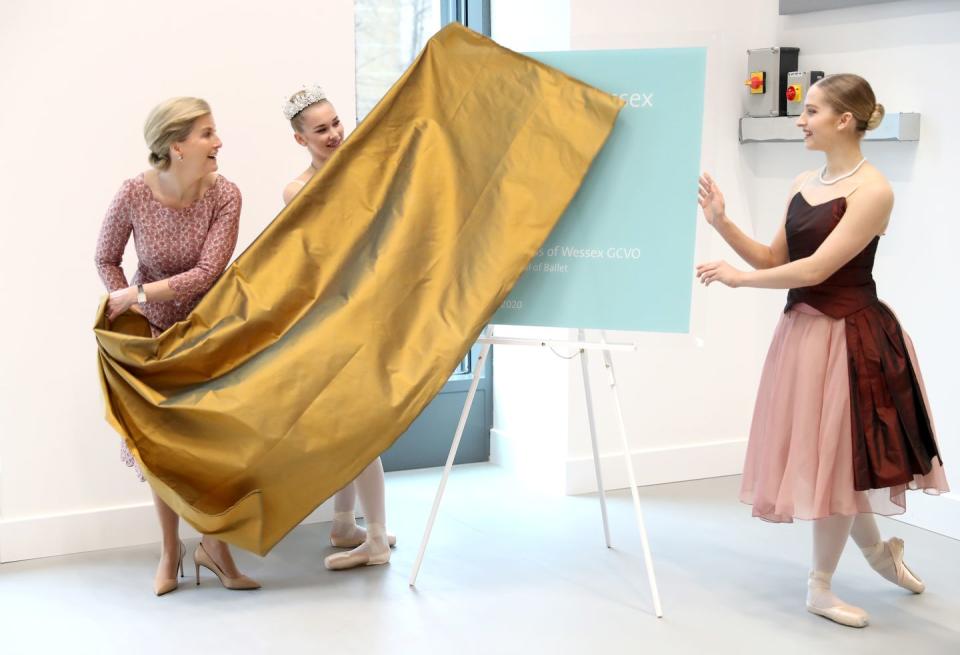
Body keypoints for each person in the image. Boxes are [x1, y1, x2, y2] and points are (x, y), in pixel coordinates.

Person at [696, 74, 948, 628]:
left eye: (810, 111)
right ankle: (881, 554)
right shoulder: (803, 183)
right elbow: (772, 259)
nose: (800, 120)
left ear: (845, 120)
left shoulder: (873, 190)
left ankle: (821, 587)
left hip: (852, 338)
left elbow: (815, 270)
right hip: (804, 334)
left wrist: (737, 281)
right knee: (829, 459)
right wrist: (722, 224)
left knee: (838, 458)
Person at [95, 97, 260, 595]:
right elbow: (105, 258)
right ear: (177, 146)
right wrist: (131, 308)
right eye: (207, 133)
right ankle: (170, 550)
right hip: (152, 340)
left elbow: (207, 274)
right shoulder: (132, 194)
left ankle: (216, 545)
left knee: (213, 445)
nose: (219, 142)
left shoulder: (225, 194)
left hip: (210, 332)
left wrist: (137, 292)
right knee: (159, 449)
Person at [281, 84, 395, 570]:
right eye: (320, 129)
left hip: (371, 307)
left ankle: (370, 537)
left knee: (358, 425)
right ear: (299, 138)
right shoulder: (296, 190)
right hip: (331, 316)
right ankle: (353, 527)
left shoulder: (365, 172)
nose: (333, 134)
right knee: (350, 426)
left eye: (335, 124)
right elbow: (312, 260)